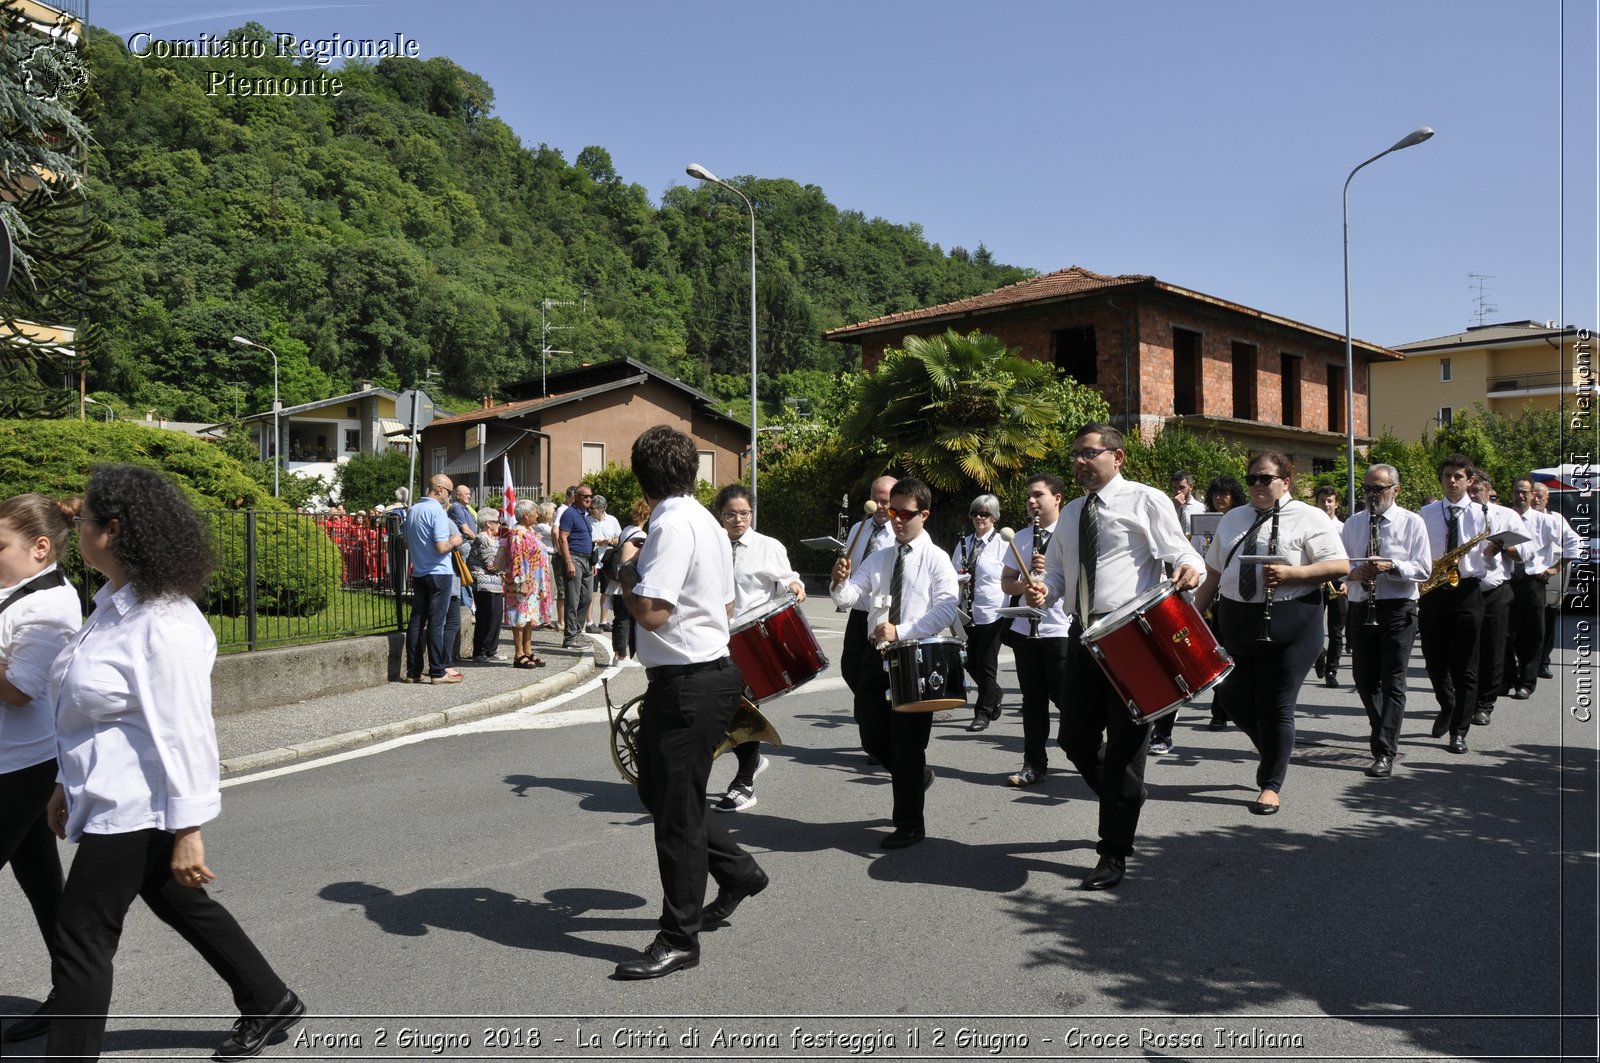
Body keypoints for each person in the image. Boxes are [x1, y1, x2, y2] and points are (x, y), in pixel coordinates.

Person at [43, 465, 304, 1061]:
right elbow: (86, 712)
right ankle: (268, 999)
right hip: (110, 793)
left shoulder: (166, 624)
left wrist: (188, 830)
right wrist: (63, 781)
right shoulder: (113, 607)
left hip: (138, 804)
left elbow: (187, 733)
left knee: (81, 934)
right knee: (174, 898)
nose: (75, 529)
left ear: (113, 530)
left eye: (82, 521)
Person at [615, 425, 765, 979]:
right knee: (661, 792)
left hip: (689, 682)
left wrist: (626, 570)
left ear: (641, 475)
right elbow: (724, 608)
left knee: (675, 816)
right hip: (701, 676)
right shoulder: (702, 518)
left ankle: (680, 938)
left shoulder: (671, 525)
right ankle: (740, 872)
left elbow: (652, 611)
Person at [1026, 425, 1203, 888]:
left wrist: (1191, 569)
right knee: (1074, 740)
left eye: (1090, 453)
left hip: (1132, 635)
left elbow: (1182, 552)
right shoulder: (1071, 514)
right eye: (1076, 456)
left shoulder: (1145, 500)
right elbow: (1062, 580)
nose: (1081, 462)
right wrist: (1045, 590)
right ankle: (1125, 796)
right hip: (1082, 633)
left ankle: (1113, 852)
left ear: (1118, 456)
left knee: (1125, 749)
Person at [1195, 451, 1348, 815]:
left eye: (1265, 478)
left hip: (1292, 620)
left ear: (1285, 482)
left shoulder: (1309, 517)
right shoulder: (1234, 517)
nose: (1257, 485)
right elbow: (1214, 572)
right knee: (1231, 698)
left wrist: (1292, 574)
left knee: (1276, 706)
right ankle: (1274, 748)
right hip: (1237, 619)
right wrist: (1193, 615)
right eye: (1252, 479)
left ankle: (1271, 784)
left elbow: (1339, 564)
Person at [831, 477, 959, 849]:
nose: (898, 520)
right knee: (871, 734)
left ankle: (909, 823)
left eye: (906, 513)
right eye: (893, 512)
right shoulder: (881, 556)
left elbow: (947, 607)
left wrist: (900, 631)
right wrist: (840, 582)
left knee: (906, 746)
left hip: (915, 656)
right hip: (877, 655)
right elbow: (852, 596)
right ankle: (914, 777)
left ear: (924, 515)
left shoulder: (936, 558)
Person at [0, 494, 82, 1044]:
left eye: (0, 544)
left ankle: (73, 994)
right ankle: (74, 994)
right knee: (43, 885)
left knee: (44, 884)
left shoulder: (49, 607)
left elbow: (17, 691)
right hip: (16, 762)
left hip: (20, 766)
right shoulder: (14, 594)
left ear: (40, 547)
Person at [712, 483, 805, 812]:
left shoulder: (768, 546)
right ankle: (751, 763)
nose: (737, 520)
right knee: (725, 708)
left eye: (744, 513)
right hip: (717, 638)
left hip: (752, 638)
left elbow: (789, 578)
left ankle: (745, 783)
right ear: (720, 515)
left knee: (739, 708)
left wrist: (795, 585)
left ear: (752, 513)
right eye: (730, 514)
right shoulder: (713, 545)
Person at [1340, 466, 1431, 777]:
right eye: (1367, 488)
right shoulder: (1353, 523)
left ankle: (1384, 750)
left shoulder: (1412, 522)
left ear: (1396, 490)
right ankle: (1383, 731)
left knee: (1393, 680)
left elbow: (1423, 569)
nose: (1371, 495)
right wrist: (1355, 572)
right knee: (1364, 680)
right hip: (1362, 604)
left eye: (1378, 489)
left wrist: (1392, 566)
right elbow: (1339, 565)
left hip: (1398, 607)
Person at [1418, 455, 1499, 754]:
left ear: (1469, 481)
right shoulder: (1425, 514)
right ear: (1441, 478)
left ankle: (1459, 731)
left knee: (1466, 665)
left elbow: (1488, 562)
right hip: (1434, 589)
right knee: (1434, 662)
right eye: (1447, 475)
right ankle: (1447, 705)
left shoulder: (1483, 514)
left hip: (1467, 589)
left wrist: (1491, 552)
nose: (1452, 481)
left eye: (1458, 476)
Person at [999, 474, 1069, 786]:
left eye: (1038, 495)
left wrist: (1051, 573)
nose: (1031, 501)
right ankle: (1034, 763)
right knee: (1033, 700)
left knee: (1066, 697)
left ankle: (1090, 751)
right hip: (1025, 627)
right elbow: (1007, 582)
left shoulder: (1070, 535)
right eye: (1029, 496)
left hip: (1060, 629)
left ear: (1057, 499)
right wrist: (1027, 584)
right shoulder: (1022, 537)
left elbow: (1079, 581)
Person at [1466, 471, 1524, 728]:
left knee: (1493, 649)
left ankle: (1484, 704)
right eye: (1470, 490)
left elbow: (1523, 554)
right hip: (1466, 589)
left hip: (1496, 590)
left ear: (1489, 491)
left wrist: (1503, 547)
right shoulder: (1459, 513)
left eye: (1476, 491)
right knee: (1465, 649)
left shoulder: (1506, 515)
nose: (1472, 495)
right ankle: (1462, 699)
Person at [838, 476, 897, 705]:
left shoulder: (898, 532)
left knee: (878, 671)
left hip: (884, 613)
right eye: (875, 499)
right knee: (849, 666)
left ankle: (873, 710)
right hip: (860, 610)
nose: (879, 506)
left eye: (885, 501)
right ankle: (869, 705)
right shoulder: (858, 528)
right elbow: (851, 564)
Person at [953, 493, 1008, 732]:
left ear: (993, 516)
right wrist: (959, 577)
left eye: (984, 513)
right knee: (968, 661)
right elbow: (950, 573)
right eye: (975, 513)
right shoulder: (964, 543)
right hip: (967, 611)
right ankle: (994, 692)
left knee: (986, 663)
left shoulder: (1002, 544)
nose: (979, 518)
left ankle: (982, 713)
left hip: (991, 612)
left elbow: (1008, 576)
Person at [402, 475, 465, 684]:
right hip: (439, 572)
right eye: (449, 491)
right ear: (439, 489)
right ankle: (437, 671)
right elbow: (441, 547)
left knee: (417, 621)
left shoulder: (413, 510)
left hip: (419, 571)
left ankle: (413, 671)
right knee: (437, 622)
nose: (449, 496)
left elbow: (408, 543)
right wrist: (454, 541)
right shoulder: (436, 511)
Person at [1532, 483, 1581, 677]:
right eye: (1533, 494)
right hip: (1520, 579)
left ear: (1547, 499)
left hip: (1548, 579)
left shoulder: (1555, 519)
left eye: (1540, 496)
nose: (1536, 499)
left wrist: (1556, 568)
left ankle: (1543, 661)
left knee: (1547, 621)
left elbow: (1573, 542)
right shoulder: (1515, 516)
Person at [504, 499, 551, 669]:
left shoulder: (528, 531)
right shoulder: (517, 533)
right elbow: (516, 559)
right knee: (519, 617)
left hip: (534, 583)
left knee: (530, 618)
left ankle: (527, 650)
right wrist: (521, 582)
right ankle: (518, 654)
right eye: (535, 512)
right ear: (526, 514)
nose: (537, 515)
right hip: (522, 583)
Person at [1312, 485, 1348, 689]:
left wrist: (1346, 581)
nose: (1326, 505)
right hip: (1317, 580)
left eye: (1329, 501)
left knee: (1336, 630)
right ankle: (1319, 653)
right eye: (1322, 501)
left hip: (1338, 582)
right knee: (1314, 626)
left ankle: (1332, 670)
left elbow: (1349, 557)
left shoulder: (1343, 528)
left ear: (1336, 503)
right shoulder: (1311, 526)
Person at [611, 500, 650, 663]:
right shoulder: (641, 536)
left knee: (619, 617)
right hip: (628, 582)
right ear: (646, 516)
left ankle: (616, 654)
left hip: (616, 581)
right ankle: (622, 656)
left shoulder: (626, 530)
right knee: (625, 619)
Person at [466, 506, 507, 662]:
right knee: (485, 616)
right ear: (488, 523)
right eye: (497, 522)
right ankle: (480, 651)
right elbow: (491, 564)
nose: (499, 524)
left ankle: (491, 650)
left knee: (496, 616)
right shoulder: (482, 538)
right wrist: (504, 565)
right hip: (484, 583)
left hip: (495, 582)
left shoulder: (494, 540)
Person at [558, 485, 595, 650]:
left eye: (590, 496)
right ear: (576, 496)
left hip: (586, 560)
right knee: (573, 599)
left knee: (587, 598)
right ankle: (570, 637)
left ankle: (577, 633)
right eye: (585, 496)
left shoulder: (585, 515)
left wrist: (592, 563)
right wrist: (568, 562)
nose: (588, 499)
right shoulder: (570, 513)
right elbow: (562, 538)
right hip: (575, 558)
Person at [587, 494, 621, 632]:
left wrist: (607, 541)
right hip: (593, 561)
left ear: (602, 508)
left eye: (593, 507)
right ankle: (589, 622)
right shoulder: (587, 520)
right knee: (591, 592)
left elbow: (619, 538)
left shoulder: (612, 520)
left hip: (607, 560)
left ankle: (603, 621)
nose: (590, 510)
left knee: (606, 592)